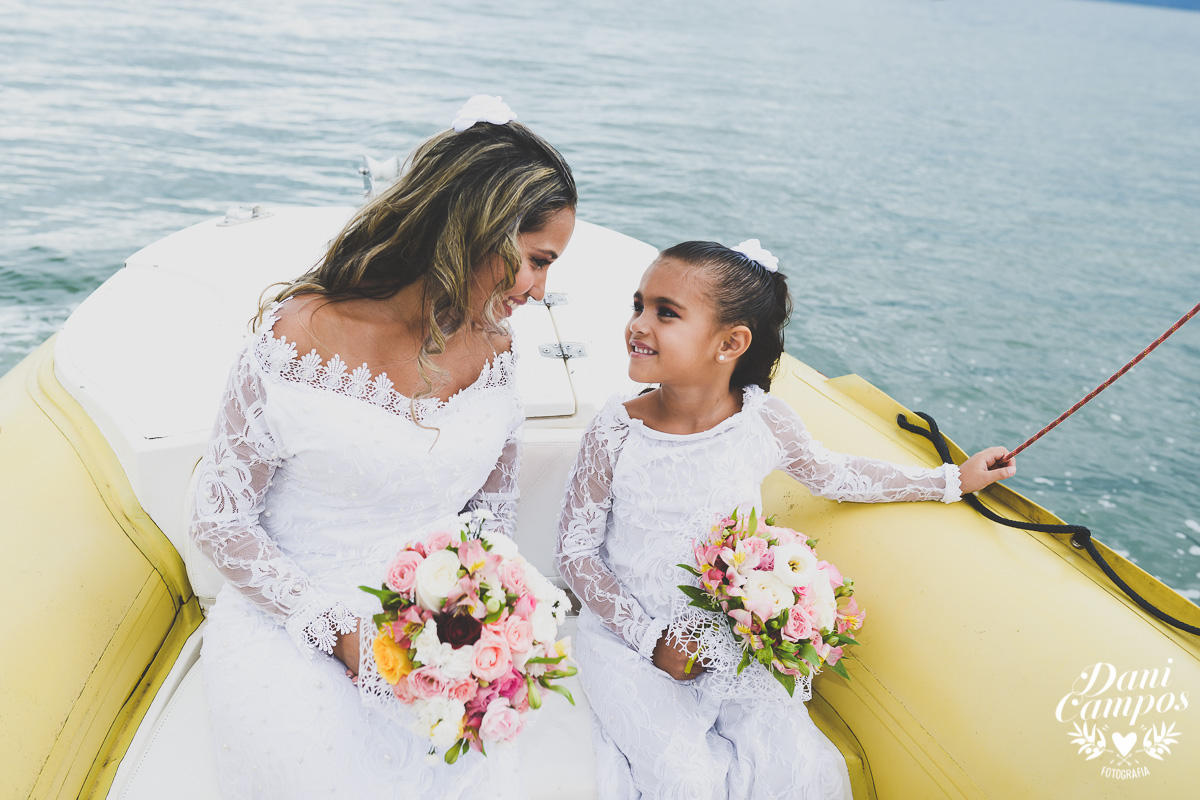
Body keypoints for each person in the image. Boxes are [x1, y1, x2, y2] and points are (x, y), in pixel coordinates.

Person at [190, 96, 576, 799]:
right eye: (536, 261)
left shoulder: (496, 345)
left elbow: (490, 508)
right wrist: (339, 632)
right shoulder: (301, 335)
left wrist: (475, 612)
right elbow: (219, 521)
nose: (543, 290)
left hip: (437, 623)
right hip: (293, 622)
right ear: (477, 230)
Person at [555, 239, 1015, 799]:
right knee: (687, 780)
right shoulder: (617, 428)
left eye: (665, 312)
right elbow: (576, 552)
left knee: (797, 767)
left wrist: (951, 480)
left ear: (731, 342)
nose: (639, 324)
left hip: (726, 637)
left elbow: (835, 475)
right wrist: (650, 639)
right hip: (632, 642)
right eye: (638, 305)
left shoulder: (762, 420)